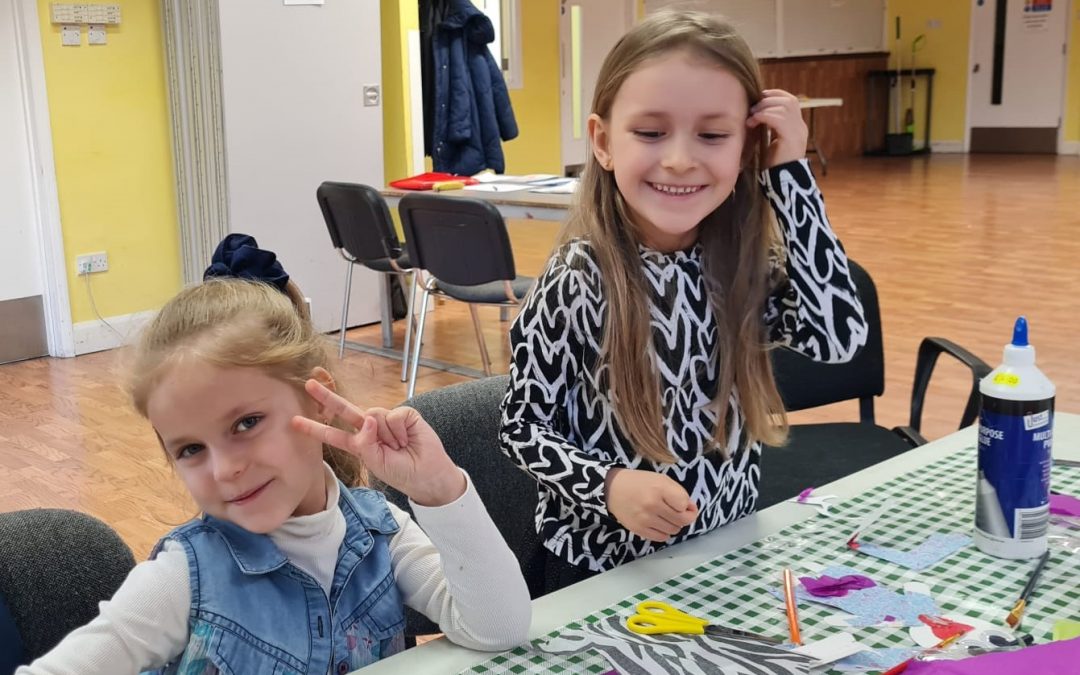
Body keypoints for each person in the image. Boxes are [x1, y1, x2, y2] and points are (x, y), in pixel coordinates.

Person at [19, 235, 530, 674]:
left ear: (317, 398)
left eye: (246, 423)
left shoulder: (380, 533)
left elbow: (498, 628)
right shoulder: (183, 578)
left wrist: (440, 491)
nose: (226, 469)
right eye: (191, 449)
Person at [499, 10, 868, 592]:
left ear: (748, 145)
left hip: (727, 550)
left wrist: (791, 172)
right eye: (650, 133)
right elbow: (521, 426)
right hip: (598, 571)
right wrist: (609, 486)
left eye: (713, 135)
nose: (678, 159)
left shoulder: (744, 267)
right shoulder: (579, 277)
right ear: (603, 142)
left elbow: (839, 335)